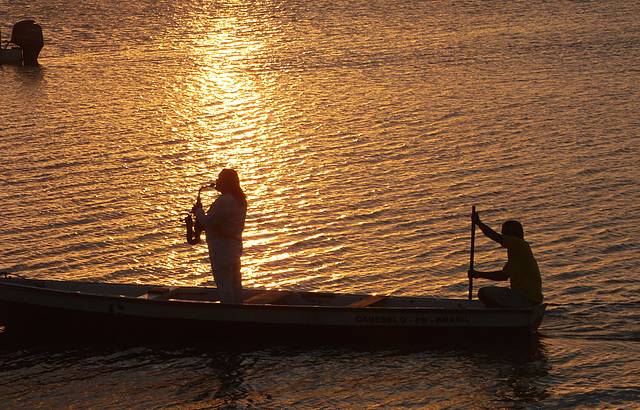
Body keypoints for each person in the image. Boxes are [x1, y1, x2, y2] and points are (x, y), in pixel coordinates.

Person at [468, 210, 543, 307]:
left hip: (525, 298)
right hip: (532, 298)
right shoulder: (518, 252)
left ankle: (502, 316)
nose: (502, 234)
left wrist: (479, 223)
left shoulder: (518, 244)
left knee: (483, 292)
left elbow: (496, 237)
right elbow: (505, 276)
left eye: (504, 233)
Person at [194, 168, 247, 304]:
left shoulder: (224, 201)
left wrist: (198, 211)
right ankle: (240, 316)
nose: (216, 181)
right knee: (236, 288)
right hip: (234, 250)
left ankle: (229, 317)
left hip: (221, 251)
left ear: (226, 182)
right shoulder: (240, 200)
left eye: (220, 179)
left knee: (225, 288)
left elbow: (207, 222)